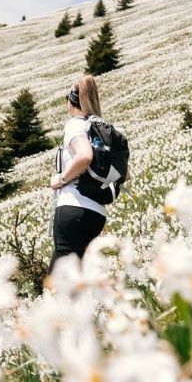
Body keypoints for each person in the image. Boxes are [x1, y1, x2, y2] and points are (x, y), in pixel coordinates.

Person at [50, 74, 109, 266]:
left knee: (63, 281)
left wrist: (61, 179)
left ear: (71, 101)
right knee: (76, 277)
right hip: (97, 214)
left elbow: (84, 156)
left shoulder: (75, 125)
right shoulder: (101, 128)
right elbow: (125, 174)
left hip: (73, 207)